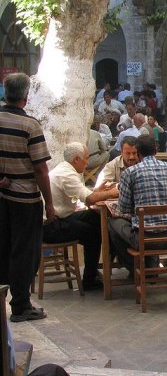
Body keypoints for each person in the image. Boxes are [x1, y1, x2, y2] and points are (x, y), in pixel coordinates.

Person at [0, 73, 54, 322]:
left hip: (3, 195)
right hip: (25, 199)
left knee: (5, 246)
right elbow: (41, 169)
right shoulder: (30, 125)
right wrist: (50, 204)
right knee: (25, 252)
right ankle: (21, 304)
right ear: (25, 95)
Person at [44, 143, 119, 290]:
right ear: (77, 159)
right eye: (85, 158)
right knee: (94, 234)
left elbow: (86, 193)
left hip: (63, 216)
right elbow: (89, 199)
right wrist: (112, 193)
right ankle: (89, 279)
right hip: (52, 226)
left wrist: (98, 191)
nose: (87, 162)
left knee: (95, 218)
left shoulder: (66, 169)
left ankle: (106, 260)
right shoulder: (66, 174)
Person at [108, 136, 167, 272]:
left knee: (112, 222)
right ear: (156, 151)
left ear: (138, 153)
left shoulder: (130, 173)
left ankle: (136, 269)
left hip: (143, 240)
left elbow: (123, 208)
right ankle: (150, 268)